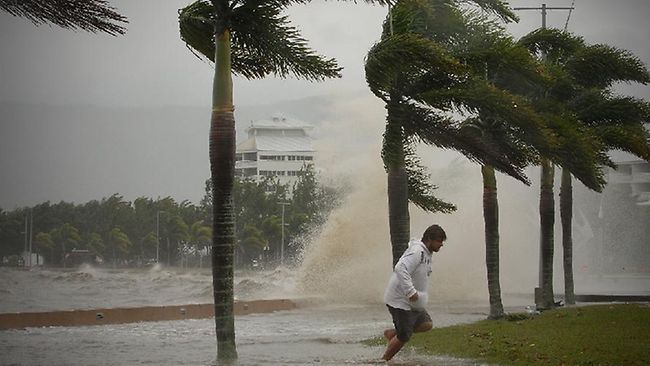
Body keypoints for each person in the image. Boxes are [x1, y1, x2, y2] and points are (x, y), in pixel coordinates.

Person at [381, 224, 447, 361]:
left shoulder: (427, 254)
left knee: (426, 324)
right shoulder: (417, 252)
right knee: (404, 335)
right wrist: (410, 291)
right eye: (439, 241)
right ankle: (383, 360)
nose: (441, 245)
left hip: (413, 302)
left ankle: (392, 333)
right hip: (399, 300)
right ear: (429, 239)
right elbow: (400, 268)